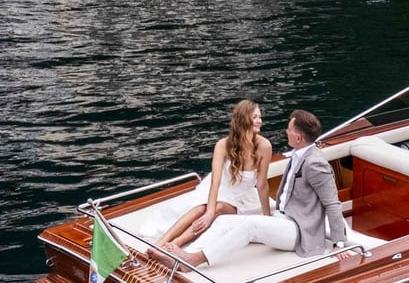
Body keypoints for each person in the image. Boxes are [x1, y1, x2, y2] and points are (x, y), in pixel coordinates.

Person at [151, 109, 346, 269]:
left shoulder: (315, 164)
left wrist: (339, 243)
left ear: (298, 136)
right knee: (224, 222)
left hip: (299, 231)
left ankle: (194, 260)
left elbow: (332, 203)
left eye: (288, 129)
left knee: (251, 225)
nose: (285, 132)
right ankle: (186, 256)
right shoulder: (298, 155)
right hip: (283, 219)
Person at [145, 100, 272, 252]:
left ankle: (176, 244)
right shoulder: (223, 145)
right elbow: (215, 182)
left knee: (218, 208)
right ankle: (161, 242)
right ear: (243, 119)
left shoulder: (265, 146)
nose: (259, 121)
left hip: (242, 198)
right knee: (201, 210)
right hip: (217, 190)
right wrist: (209, 213)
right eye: (255, 117)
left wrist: (267, 217)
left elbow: (262, 184)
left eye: (260, 117)